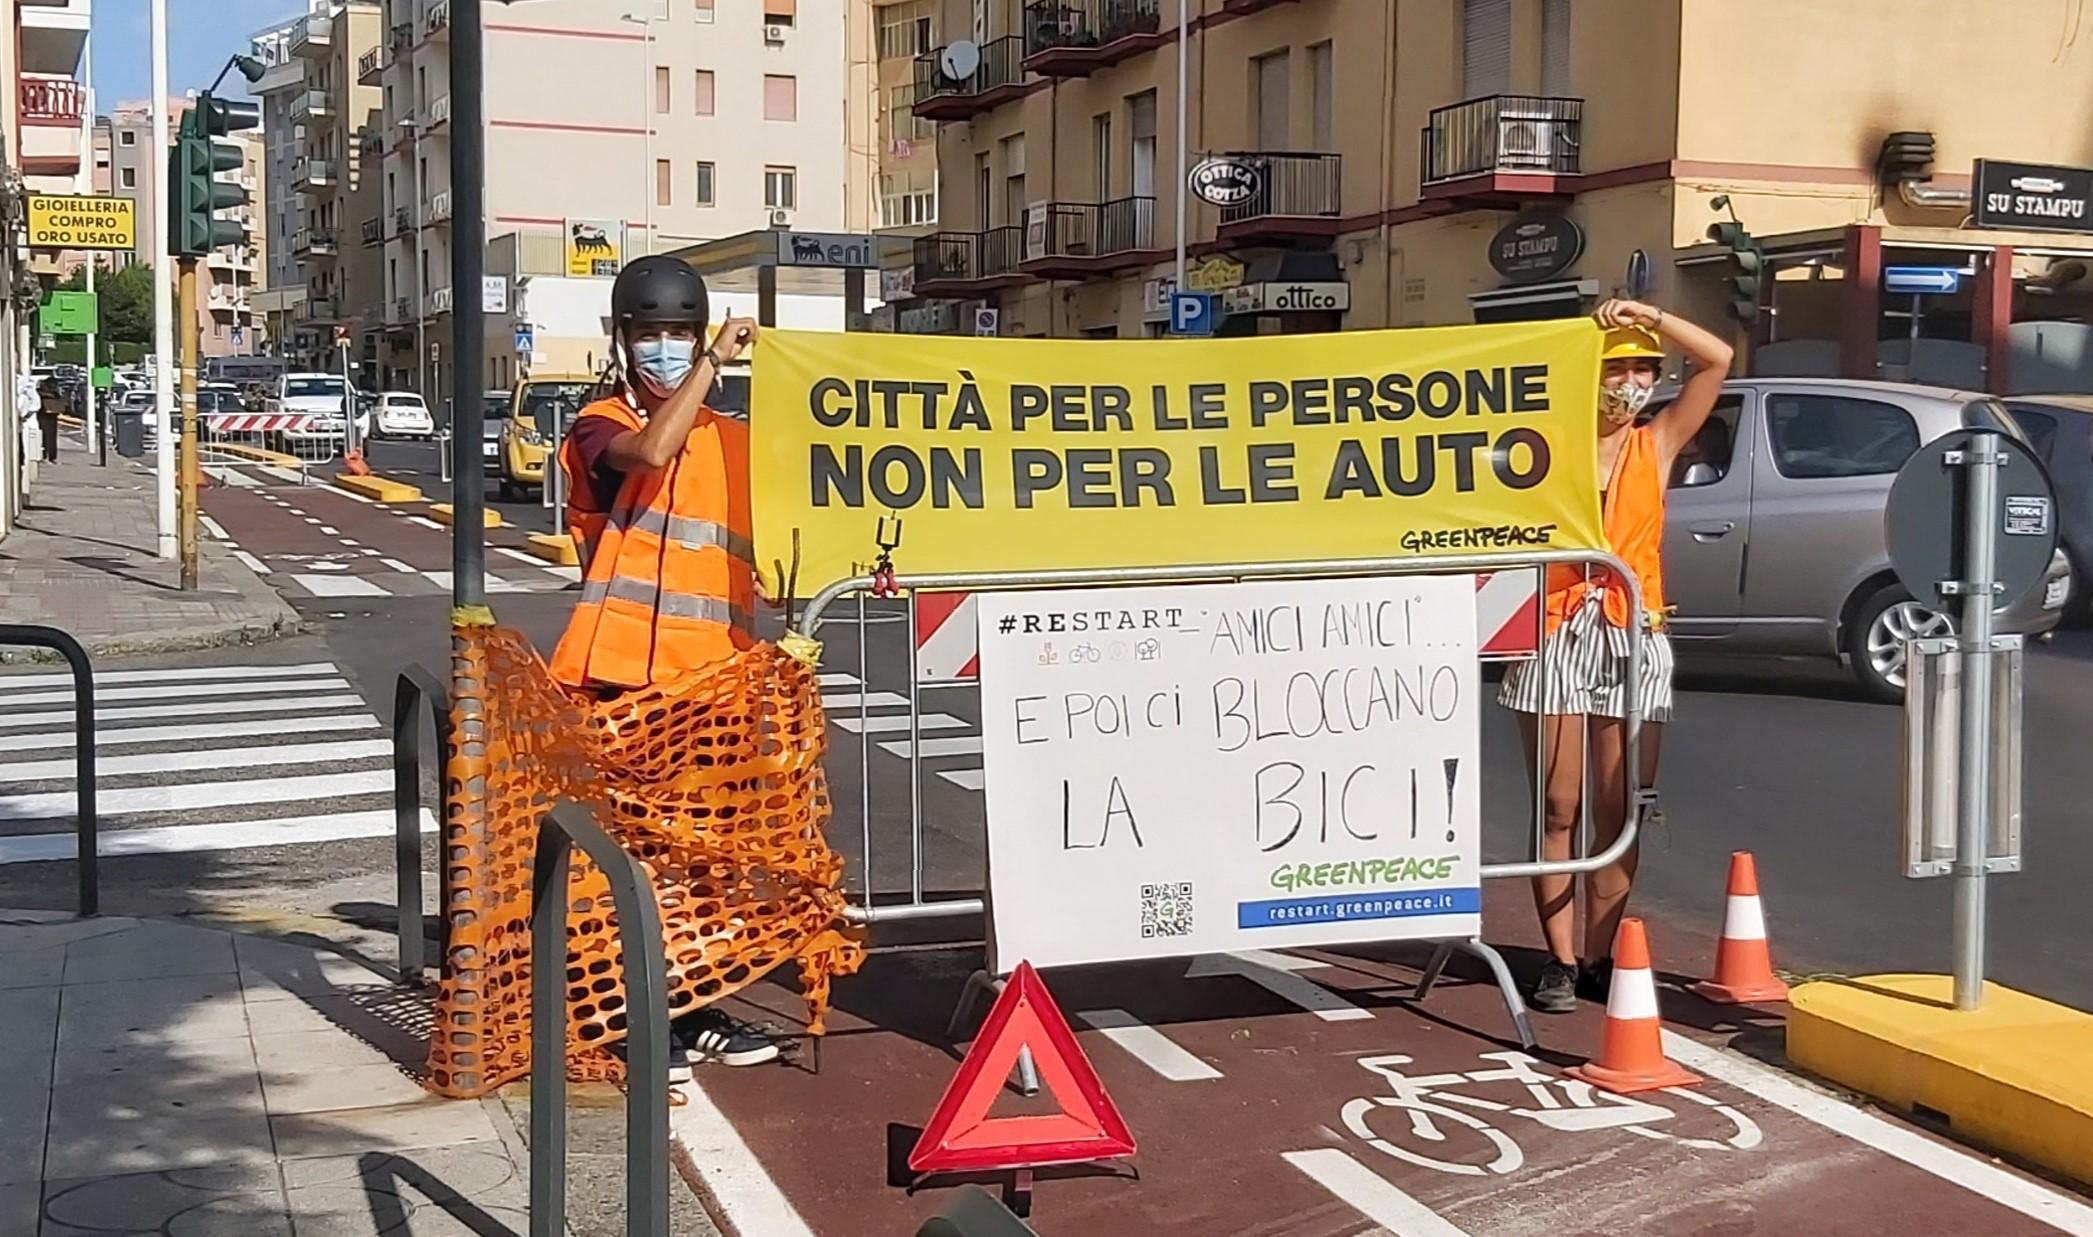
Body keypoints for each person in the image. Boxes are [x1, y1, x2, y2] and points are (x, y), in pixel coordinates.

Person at [546, 253, 777, 1070]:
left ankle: (696, 1005)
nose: (667, 347)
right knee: (633, 856)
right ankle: (631, 1010)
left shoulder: (736, 441)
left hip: (712, 685)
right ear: (623, 339)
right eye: (653, 334)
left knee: (703, 860)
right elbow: (648, 454)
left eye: (680, 333)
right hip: (619, 682)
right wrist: (714, 360)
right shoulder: (596, 422)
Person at [1498, 298, 1733, 1014]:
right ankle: (1560, 959)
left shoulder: (1653, 442)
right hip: (1552, 628)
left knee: (1617, 804)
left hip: (1632, 633)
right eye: (1615, 366)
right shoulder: (1543, 447)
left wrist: (1648, 316)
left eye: (1641, 368)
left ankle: (1599, 953)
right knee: (1558, 801)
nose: (1629, 380)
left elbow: (1717, 357)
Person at [35, 380, 62, 463]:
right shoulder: (56, 394)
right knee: (52, 437)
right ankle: (52, 456)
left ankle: (44, 455)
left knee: (44, 436)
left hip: (43, 416)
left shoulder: (40, 394)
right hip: (52, 417)